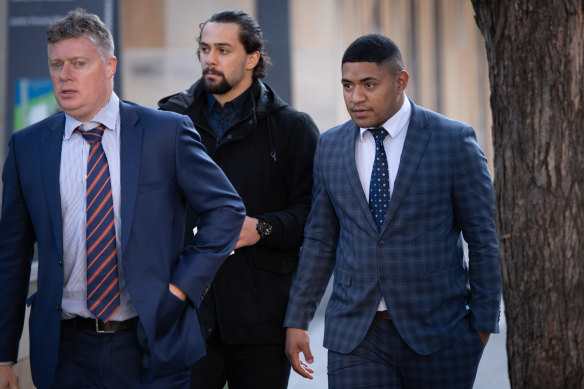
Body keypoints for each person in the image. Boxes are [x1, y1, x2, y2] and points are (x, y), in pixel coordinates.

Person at [0, 9, 245, 389]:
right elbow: (12, 258)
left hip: (153, 338)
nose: (64, 75)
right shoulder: (28, 147)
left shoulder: (165, 132)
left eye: (78, 63)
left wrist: (181, 287)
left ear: (110, 65)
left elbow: (227, 210)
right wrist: (4, 355)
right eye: (56, 65)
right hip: (66, 349)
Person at [284, 34, 502, 388]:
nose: (356, 97)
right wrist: (298, 319)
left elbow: (483, 240)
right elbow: (321, 239)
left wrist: (482, 327)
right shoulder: (330, 145)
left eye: (369, 84)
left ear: (400, 81)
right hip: (355, 337)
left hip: (440, 335)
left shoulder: (453, 141)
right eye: (348, 85)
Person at [158, 10, 319, 389]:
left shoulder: (292, 128)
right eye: (204, 49)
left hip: (262, 317)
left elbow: (315, 216)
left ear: (252, 58)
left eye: (223, 50)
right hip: (186, 313)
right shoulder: (169, 118)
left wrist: (261, 228)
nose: (209, 59)